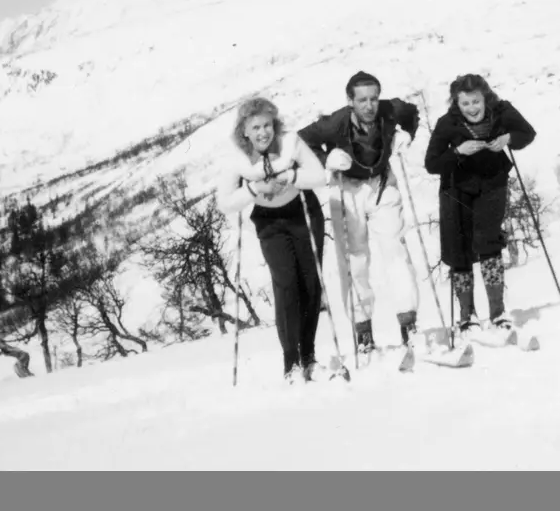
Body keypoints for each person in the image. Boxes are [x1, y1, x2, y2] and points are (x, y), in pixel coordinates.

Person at [298, 71, 422, 354]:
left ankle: (409, 324)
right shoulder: (335, 123)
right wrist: (325, 158)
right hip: (347, 188)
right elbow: (302, 141)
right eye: (362, 100)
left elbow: (412, 113)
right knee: (355, 260)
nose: (369, 105)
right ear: (350, 100)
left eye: (374, 98)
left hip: (380, 184)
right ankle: (363, 331)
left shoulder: (390, 111)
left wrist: (406, 134)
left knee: (396, 251)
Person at [217, 97, 329, 383]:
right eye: (255, 127)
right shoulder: (237, 157)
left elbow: (318, 175)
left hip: (304, 213)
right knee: (286, 284)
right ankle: (291, 362)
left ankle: (309, 358)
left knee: (310, 283)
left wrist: (292, 175)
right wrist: (254, 189)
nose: (263, 132)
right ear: (244, 131)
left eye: (267, 125)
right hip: (270, 223)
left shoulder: (291, 142)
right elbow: (226, 202)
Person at [423, 74, 536, 333]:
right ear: (456, 104)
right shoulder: (447, 123)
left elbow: (527, 133)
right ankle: (467, 316)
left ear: (485, 97)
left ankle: (497, 313)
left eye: (476, 101)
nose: (472, 108)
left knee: (488, 240)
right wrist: (457, 152)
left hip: (492, 181)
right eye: (465, 104)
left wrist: (508, 138)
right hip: (455, 187)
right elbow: (431, 163)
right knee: (458, 248)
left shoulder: (502, 111)